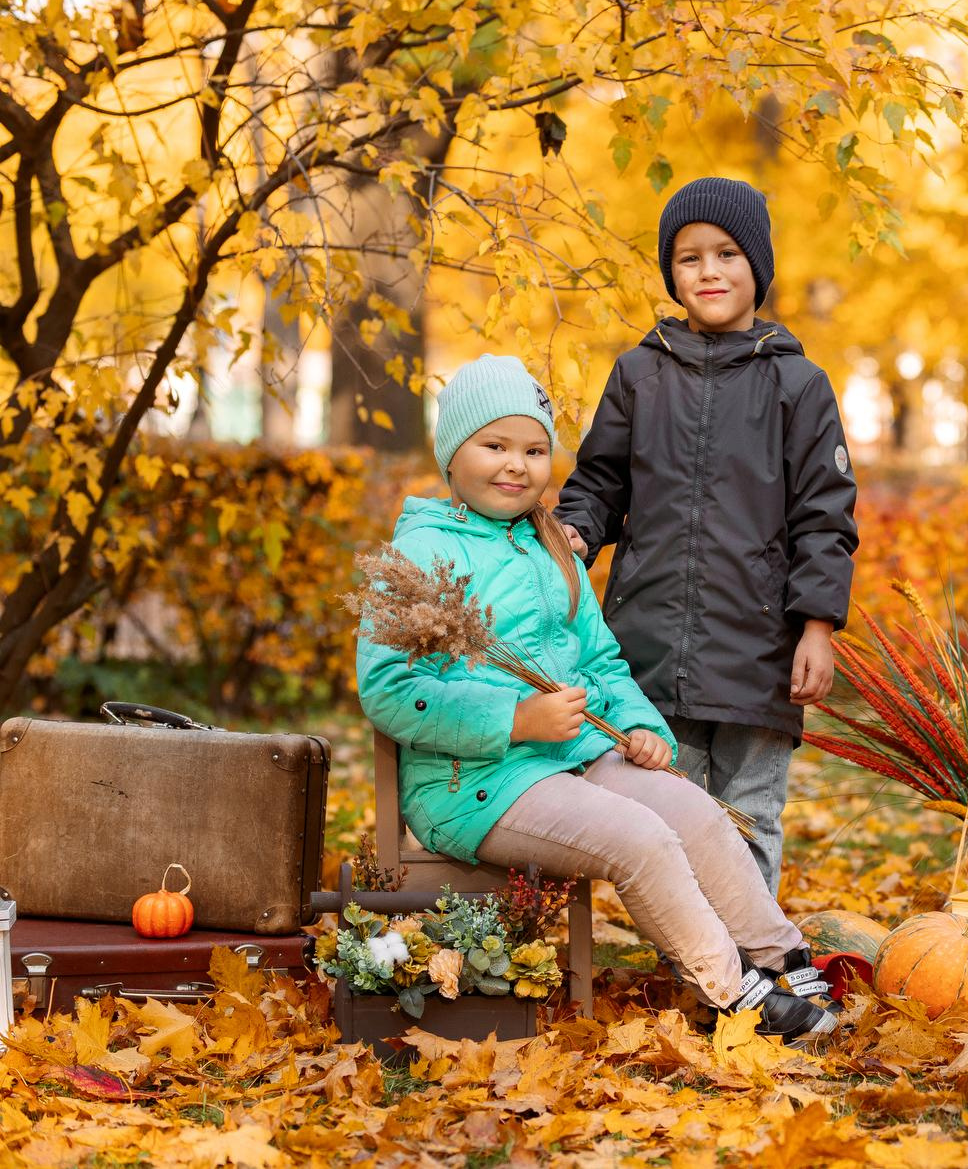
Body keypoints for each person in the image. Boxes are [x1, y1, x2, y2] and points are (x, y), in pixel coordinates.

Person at [356, 355, 840, 1042]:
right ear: (451, 453)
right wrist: (517, 719)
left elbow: (600, 659)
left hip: (577, 757)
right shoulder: (422, 555)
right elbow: (390, 689)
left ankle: (781, 955)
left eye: (533, 449)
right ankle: (735, 994)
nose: (515, 465)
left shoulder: (550, 545)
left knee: (694, 811)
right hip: (475, 784)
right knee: (641, 838)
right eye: (494, 445)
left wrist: (640, 727)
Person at [556, 177, 858, 895]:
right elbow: (599, 479)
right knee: (670, 812)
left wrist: (817, 625)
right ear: (672, 274)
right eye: (689, 258)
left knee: (748, 812)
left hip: (759, 650)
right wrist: (574, 532)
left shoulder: (798, 384)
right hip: (653, 645)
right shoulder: (638, 373)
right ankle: (694, 962)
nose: (709, 271)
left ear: (757, 264)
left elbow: (826, 512)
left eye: (726, 253)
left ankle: (751, 963)